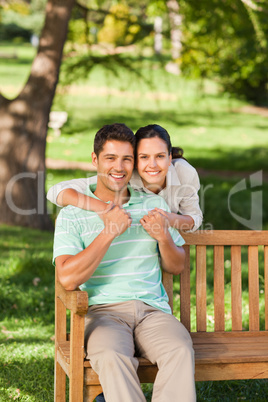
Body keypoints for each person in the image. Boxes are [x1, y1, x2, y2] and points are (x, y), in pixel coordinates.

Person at [53, 123, 196, 402]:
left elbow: (177, 266)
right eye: (110, 158)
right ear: (95, 160)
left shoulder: (153, 204)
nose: (118, 167)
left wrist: (164, 237)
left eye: (127, 159)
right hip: (103, 313)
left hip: (153, 311)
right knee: (111, 355)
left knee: (180, 349)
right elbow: (68, 279)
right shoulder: (73, 214)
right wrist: (108, 231)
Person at [47, 124, 203, 233]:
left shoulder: (184, 173)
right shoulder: (124, 175)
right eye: (144, 157)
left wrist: (169, 219)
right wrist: (104, 209)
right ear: (135, 160)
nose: (153, 165)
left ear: (169, 158)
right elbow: (55, 192)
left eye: (160, 156)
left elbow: (195, 217)